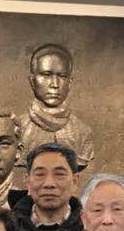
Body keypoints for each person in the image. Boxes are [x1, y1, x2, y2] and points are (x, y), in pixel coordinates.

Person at [19, 44, 97, 174]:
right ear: (32, 81)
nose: (54, 84)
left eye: (62, 76)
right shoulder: (17, 130)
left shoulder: (83, 132)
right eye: (46, 75)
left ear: (70, 83)